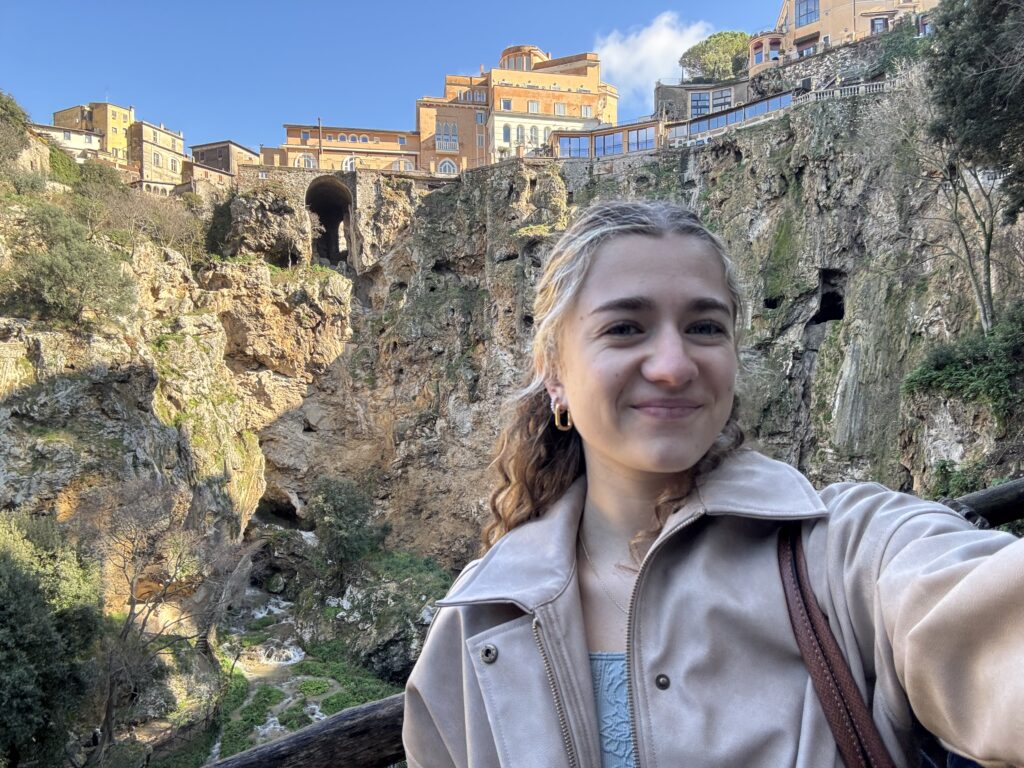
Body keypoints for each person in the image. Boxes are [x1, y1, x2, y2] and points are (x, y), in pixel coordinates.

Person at [402, 200, 1024, 768]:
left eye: (704, 327)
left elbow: (977, 615)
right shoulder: (476, 624)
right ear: (554, 374)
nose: (673, 366)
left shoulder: (846, 553)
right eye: (625, 328)